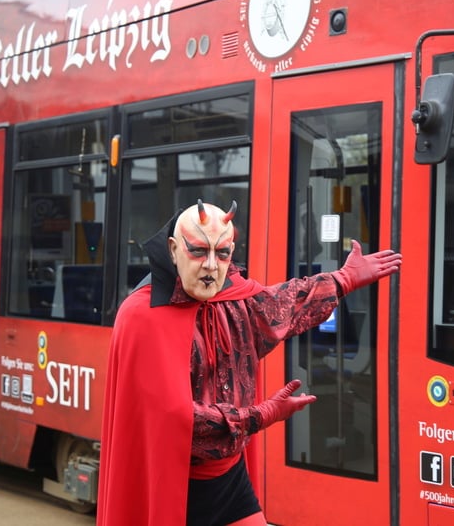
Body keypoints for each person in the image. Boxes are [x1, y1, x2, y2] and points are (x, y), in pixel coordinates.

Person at [97, 200, 402, 526]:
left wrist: (342, 280)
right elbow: (179, 417)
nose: (211, 266)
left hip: (229, 479)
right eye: (199, 251)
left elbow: (282, 306)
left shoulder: (234, 297)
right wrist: (260, 415)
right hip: (175, 486)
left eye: (223, 253)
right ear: (173, 250)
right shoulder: (142, 316)